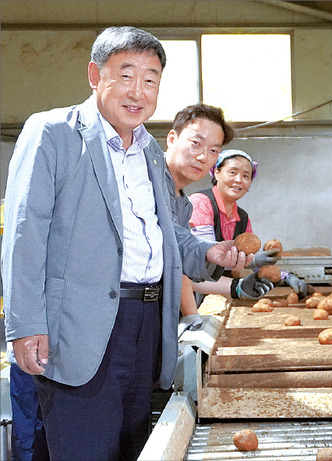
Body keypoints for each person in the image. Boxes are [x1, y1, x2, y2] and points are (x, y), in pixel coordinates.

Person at [2, 26, 251, 460]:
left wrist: (207, 253)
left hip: (146, 323)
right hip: (81, 324)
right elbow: (25, 232)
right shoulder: (54, 133)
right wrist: (25, 325)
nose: (139, 91)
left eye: (151, 79)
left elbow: (165, 231)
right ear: (95, 75)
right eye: (126, 75)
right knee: (84, 449)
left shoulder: (150, 151)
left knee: (132, 446)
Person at [163, 104, 275, 332]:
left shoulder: (183, 203)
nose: (203, 156)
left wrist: (263, 267)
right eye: (196, 143)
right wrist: (236, 286)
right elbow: (193, 268)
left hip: (180, 306)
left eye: (213, 150)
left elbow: (181, 263)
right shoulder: (199, 203)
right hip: (184, 299)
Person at [189, 149, 308, 297]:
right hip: (193, 290)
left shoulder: (242, 217)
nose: (239, 180)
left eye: (246, 175)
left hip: (221, 291)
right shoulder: (201, 202)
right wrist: (252, 261)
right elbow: (206, 256)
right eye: (232, 172)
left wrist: (286, 277)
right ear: (217, 173)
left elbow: (255, 261)